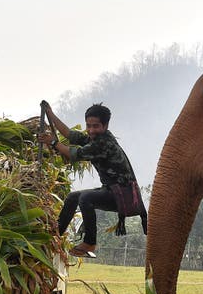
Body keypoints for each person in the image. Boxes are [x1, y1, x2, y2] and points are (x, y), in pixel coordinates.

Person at [38, 101, 145, 258]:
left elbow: (73, 154)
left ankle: (89, 243)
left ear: (105, 125)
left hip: (124, 196)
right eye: (88, 126)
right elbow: (70, 134)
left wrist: (53, 142)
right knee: (73, 197)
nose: (91, 130)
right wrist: (51, 113)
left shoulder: (103, 143)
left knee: (86, 198)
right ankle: (55, 235)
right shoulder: (95, 138)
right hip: (111, 190)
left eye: (96, 126)